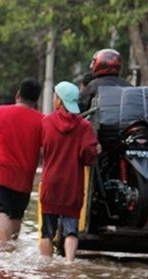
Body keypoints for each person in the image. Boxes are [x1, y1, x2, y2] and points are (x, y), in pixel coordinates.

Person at [39, 81, 98, 263]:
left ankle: (46, 265)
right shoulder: (84, 127)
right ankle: (70, 263)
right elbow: (88, 155)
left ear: (59, 101)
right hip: (72, 184)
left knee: (47, 232)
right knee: (71, 229)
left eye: (55, 96)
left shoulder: (46, 122)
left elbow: (42, 149)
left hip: (51, 183)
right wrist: (96, 150)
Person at [0, 78, 43, 243]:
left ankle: (4, 249)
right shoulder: (42, 121)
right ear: (36, 100)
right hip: (24, 178)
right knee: (16, 215)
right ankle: (13, 250)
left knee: (0, 211)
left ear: (18, 94)